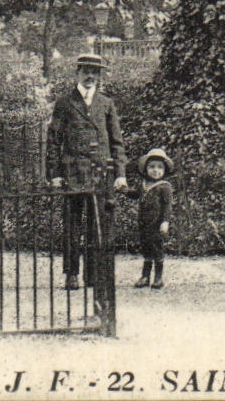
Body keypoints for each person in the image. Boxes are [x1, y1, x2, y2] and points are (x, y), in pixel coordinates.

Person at [46, 53, 128, 291]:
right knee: (72, 226)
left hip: (100, 174)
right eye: (86, 71)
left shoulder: (106, 103)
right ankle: (71, 273)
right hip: (73, 173)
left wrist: (120, 174)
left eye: (96, 72)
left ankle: (92, 274)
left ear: (99, 76)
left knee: (97, 225)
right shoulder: (64, 103)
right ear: (78, 73)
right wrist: (55, 174)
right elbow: (53, 140)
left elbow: (117, 142)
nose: (91, 76)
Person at [132, 148, 174, 290]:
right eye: (152, 167)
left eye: (159, 167)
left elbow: (167, 206)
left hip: (157, 225)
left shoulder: (164, 187)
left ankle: (158, 277)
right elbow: (135, 194)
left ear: (164, 170)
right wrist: (123, 189)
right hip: (145, 224)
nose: (155, 170)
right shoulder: (143, 185)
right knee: (146, 249)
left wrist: (165, 221)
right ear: (145, 169)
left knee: (157, 250)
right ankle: (145, 277)